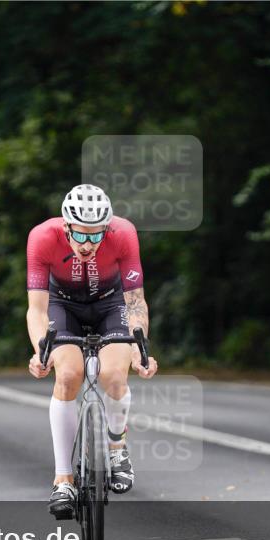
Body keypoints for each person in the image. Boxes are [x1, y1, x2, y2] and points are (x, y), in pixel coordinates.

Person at [25, 184, 158, 518]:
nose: (87, 245)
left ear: (107, 229)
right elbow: (37, 310)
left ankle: (116, 448)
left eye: (96, 237)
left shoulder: (124, 234)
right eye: (81, 236)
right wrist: (43, 351)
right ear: (66, 227)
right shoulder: (42, 237)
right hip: (63, 306)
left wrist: (140, 348)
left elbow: (135, 301)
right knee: (68, 374)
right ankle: (63, 479)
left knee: (115, 375)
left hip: (111, 305)